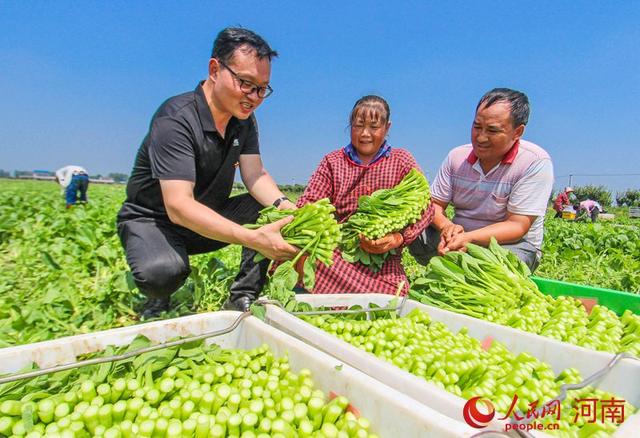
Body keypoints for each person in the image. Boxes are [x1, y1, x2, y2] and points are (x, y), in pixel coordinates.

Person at [117, 27, 298, 318]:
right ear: (215, 69)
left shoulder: (244, 121)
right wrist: (252, 239)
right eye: (245, 83)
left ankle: (243, 296)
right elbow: (178, 206)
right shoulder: (176, 119)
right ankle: (159, 295)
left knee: (266, 211)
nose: (253, 97)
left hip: (204, 216)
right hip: (155, 221)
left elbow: (255, 175)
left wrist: (288, 209)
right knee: (163, 272)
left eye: (262, 89)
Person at [294, 95, 434, 295]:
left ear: (387, 128)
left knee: (392, 296)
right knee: (302, 258)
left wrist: (398, 238)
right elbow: (309, 202)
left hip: (384, 262)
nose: (365, 134)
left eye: (374, 127)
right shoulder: (332, 162)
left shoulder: (401, 161)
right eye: (358, 125)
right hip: (338, 253)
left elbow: (426, 207)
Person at [409, 88, 554, 272]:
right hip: (457, 239)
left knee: (513, 259)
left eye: (492, 130)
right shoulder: (456, 157)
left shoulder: (534, 162)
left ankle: (461, 273)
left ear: (517, 132)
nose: (481, 137)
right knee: (414, 226)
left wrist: (468, 239)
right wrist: (447, 227)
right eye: (477, 127)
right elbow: (434, 205)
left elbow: (517, 225)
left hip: (507, 246)